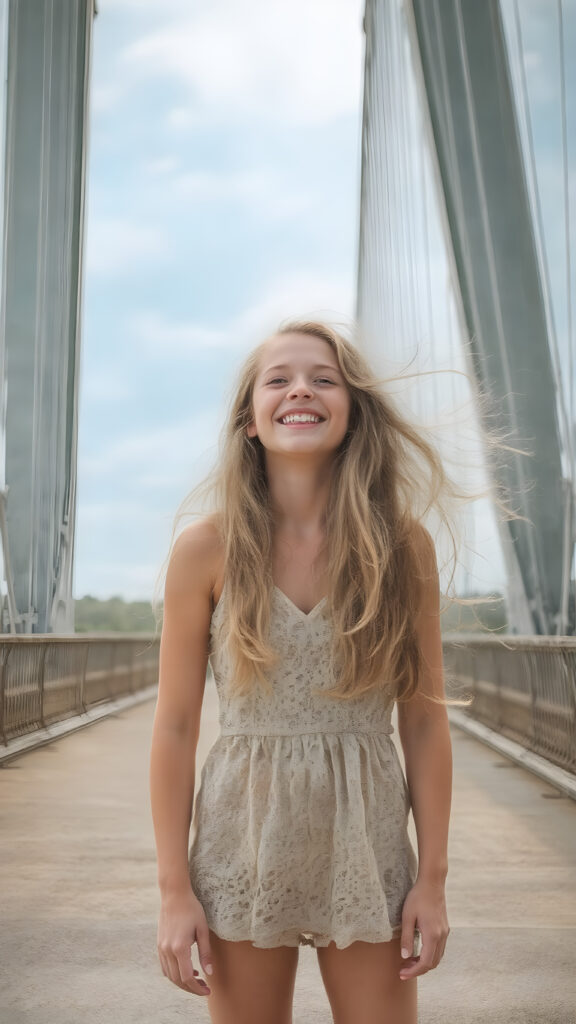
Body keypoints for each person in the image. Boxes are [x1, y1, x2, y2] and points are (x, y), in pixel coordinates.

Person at [149, 318, 468, 1024]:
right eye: (279, 379)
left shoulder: (400, 545)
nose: (301, 390)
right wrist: (175, 891)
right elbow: (173, 726)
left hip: (367, 838)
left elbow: (423, 718)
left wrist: (433, 882)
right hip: (243, 838)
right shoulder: (206, 549)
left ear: (352, 413)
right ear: (251, 420)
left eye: (324, 379)